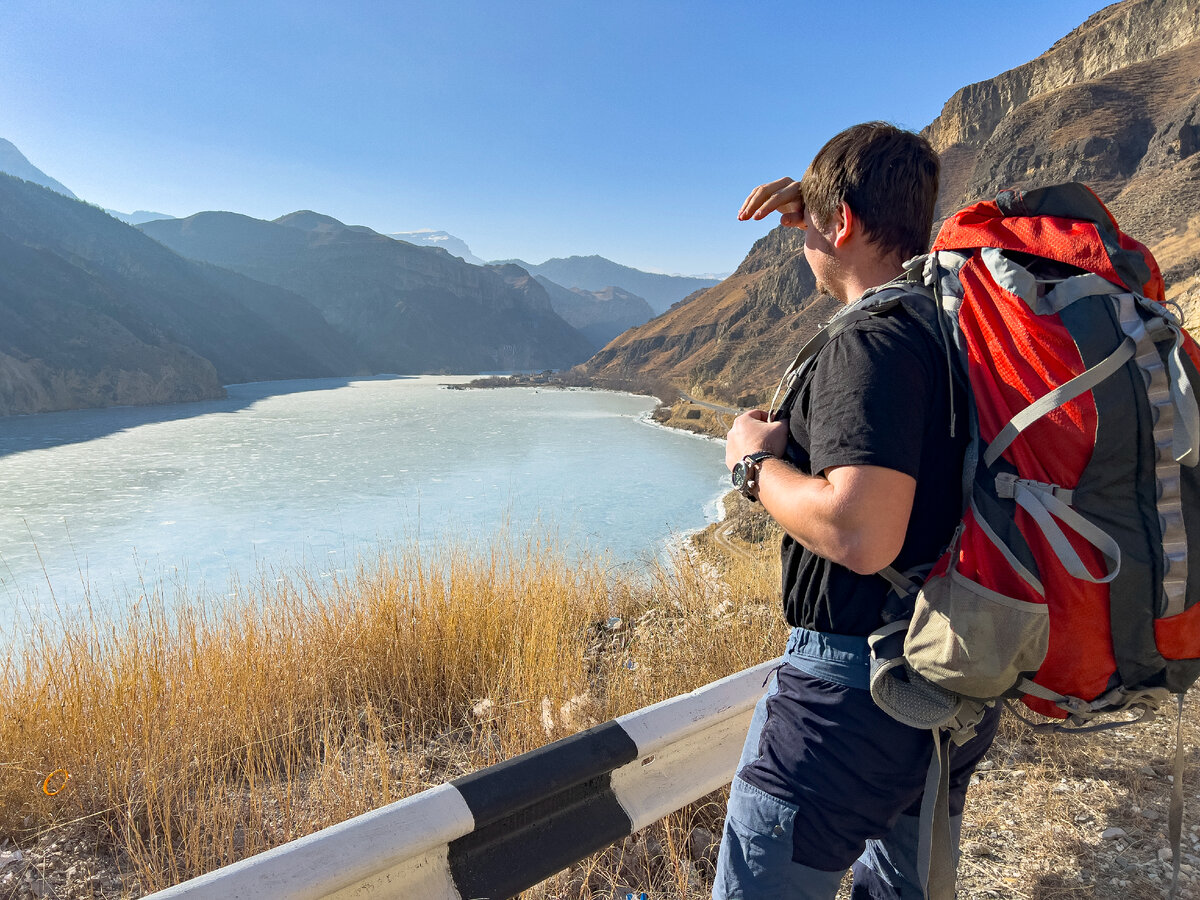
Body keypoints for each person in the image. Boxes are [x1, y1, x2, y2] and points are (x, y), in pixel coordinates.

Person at [714, 122, 1001, 900]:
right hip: (941, 680)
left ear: (840, 223)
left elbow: (858, 529)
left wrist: (751, 464)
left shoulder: (871, 340)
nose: (798, 240)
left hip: (847, 699)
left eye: (813, 223)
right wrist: (819, 198)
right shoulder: (955, 333)